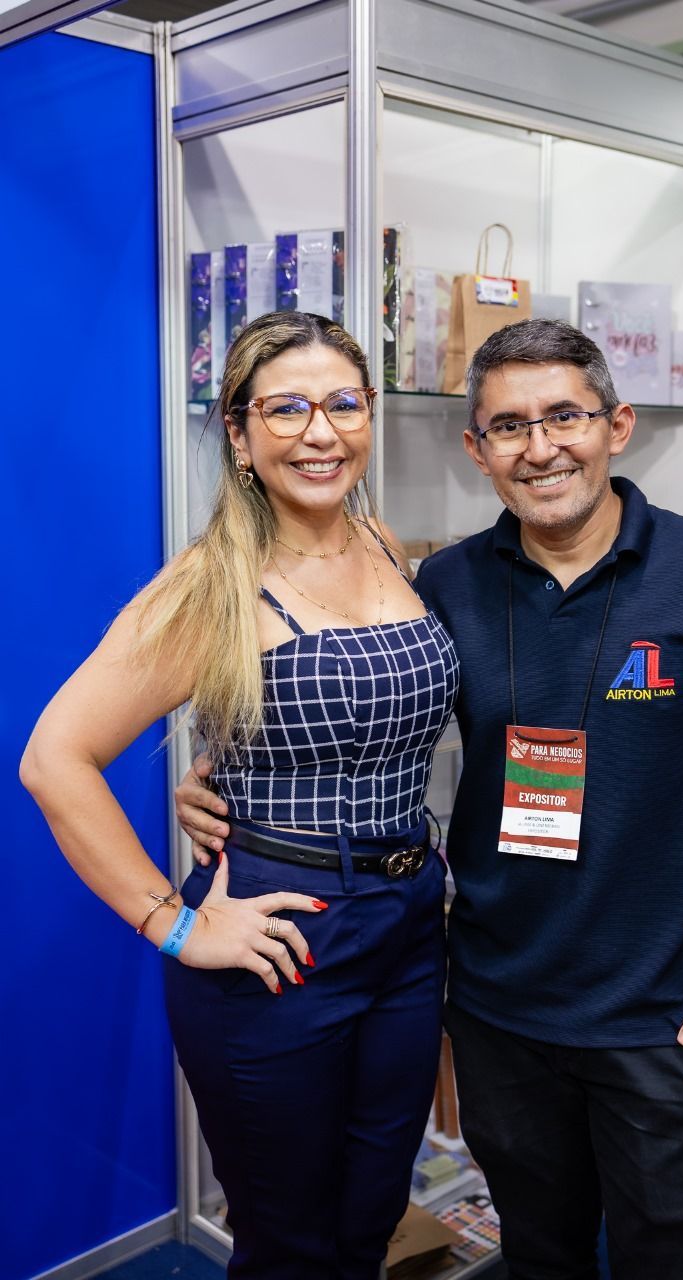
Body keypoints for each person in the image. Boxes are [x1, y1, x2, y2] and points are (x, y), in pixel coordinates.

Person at [177, 318, 683, 1280]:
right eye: (509, 427)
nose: (541, 446)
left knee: (672, 1257)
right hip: (496, 1009)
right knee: (539, 1252)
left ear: (618, 424)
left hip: (666, 1014)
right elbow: (360, 712)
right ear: (476, 450)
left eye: (565, 416)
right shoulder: (442, 582)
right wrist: (222, 782)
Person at [20, 312, 459, 1280]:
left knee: (373, 1217)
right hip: (282, 935)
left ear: (369, 414)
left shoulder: (381, 541)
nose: (320, 431)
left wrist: (227, 768)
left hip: (406, 919)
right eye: (287, 408)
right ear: (239, 432)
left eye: (343, 403)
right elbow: (55, 758)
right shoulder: (210, 584)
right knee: (287, 1245)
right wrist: (174, 924)